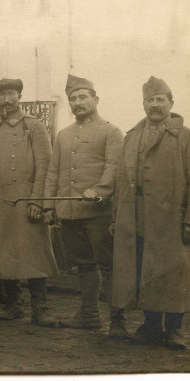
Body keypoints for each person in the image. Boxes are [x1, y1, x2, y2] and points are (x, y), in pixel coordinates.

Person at [111, 76, 190, 350]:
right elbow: (122, 179)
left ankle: (174, 330)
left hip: (173, 219)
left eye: (160, 100)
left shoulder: (187, 137)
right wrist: (116, 217)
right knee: (146, 270)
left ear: (171, 103)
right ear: (143, 104)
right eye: (149, 100)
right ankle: (151, 326)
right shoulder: (132, 137)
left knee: (174, 273)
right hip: (137, 216)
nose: (154, 105)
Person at [0, 78, 58, 327]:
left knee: (34, 255)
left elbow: (45, 167)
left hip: (25, 200)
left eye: (11, 94)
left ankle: (41, 308)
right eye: (1, 95)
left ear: (19, 96)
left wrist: (38, 200)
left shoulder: (34, 126)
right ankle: (14, 305)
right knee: (3, 254)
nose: (6, 99)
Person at [43, 74, 128, 339]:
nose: (78, 103)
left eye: (83, 97)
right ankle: (89, 316)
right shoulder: (64, 134)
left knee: (108, 265)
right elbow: (53, 172)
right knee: (84, 265)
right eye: (73, 99)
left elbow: (114, 168)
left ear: (95, 99)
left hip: (98, 213)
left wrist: (99, 191)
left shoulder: (111, 132)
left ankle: (117, 321)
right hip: (69, 212)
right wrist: (49, 204)